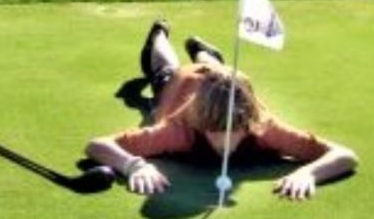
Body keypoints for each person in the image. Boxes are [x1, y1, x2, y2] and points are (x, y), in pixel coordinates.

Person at [85, 20, 359, 201]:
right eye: (214, 131)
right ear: (199, 123)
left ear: (248, 122)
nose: (224, 140)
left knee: (220, 70)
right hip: (183, 83)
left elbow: (345, 156)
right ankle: (159, 33)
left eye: (233, 130)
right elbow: (97, 145)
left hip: (226, 76)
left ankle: (205, 54)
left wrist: (308, 173)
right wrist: (133, 165)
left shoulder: (264, 127)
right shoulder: (178, 131)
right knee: (165, 73)